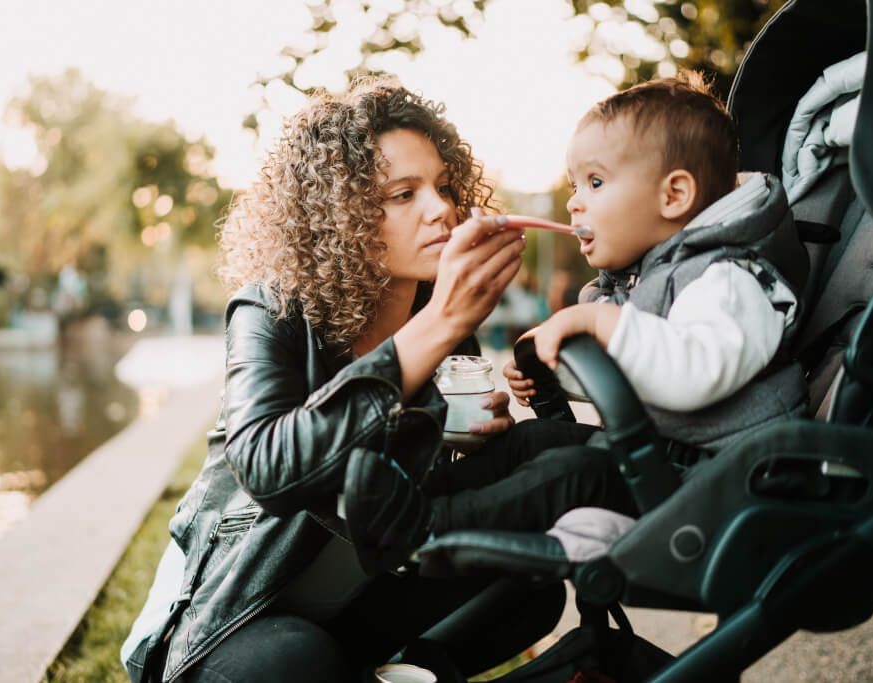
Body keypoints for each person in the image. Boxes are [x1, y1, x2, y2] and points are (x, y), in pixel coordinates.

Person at [121, 77, 567, 683]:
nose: (441, 209)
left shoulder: (435, 311)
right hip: (245, 615)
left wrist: (468, 439)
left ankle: (403, 674)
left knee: (532, 579)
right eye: (402, 194)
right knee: (297, 658)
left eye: (441, 186)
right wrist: (441, 323)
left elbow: (417, 497)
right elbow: (269, 466)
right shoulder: (270, 310)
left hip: (360, 595)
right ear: (339, 216)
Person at [344, 70, 809, 564]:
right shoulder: (654, 276)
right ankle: (412, 499)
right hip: (678, 462)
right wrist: (554, 372)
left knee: (569, 475)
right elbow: (641, 367)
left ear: (673, 196)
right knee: (535, 439)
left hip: (724, 488)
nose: (574, 201)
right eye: (574, 184)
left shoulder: (729, 278)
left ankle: (420, 529)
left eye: (595, 182)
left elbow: (693, 374)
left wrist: (599, 326)